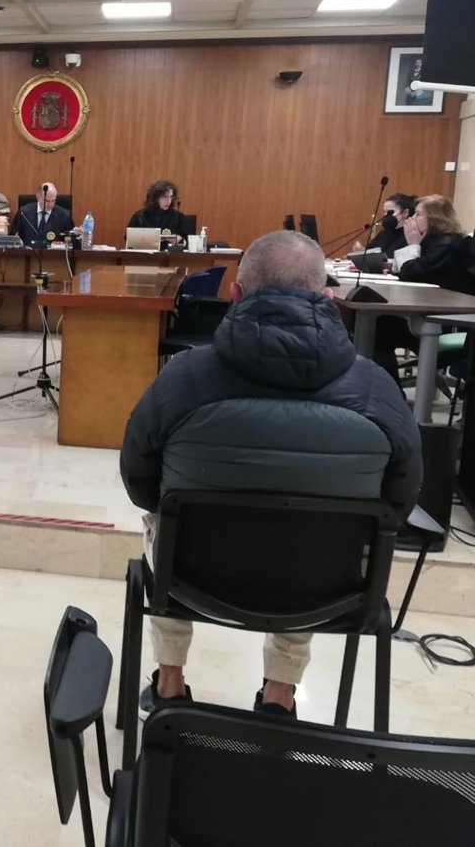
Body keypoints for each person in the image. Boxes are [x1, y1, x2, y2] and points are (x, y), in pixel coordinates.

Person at [121, 230, 421, 719]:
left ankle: (169, 686)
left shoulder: (183, 376)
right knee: (324, 536)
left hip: (189, 580)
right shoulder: (375, 387)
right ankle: (280, 697)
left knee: (162, 519)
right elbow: (401, 498)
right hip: (327, 590)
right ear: (327, 298)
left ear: (235, 293)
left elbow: (139, 481)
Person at [396, 194, 474, 294]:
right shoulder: (429, 239)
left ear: (434, 218)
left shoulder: (446, 245)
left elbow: (411, 275)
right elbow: (400, 269)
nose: (412, 218)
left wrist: (413, 246)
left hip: (445, 300)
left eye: (418, 214)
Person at [349, 193, 415, 259]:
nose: (386, 215)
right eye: (384, 212)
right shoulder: (383, 233)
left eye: (389, 212)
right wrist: (361, 250)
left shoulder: (411, 235)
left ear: (405, 213)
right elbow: (370, 251)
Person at [10, 181, 72, 246]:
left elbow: (70, 242)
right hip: (28, 251)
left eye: (53, 201)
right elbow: (13, 237)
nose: (50, 205)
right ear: (38, 197)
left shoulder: (64, 216)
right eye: (47, 201)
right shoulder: (23, 213)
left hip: (54, 252)